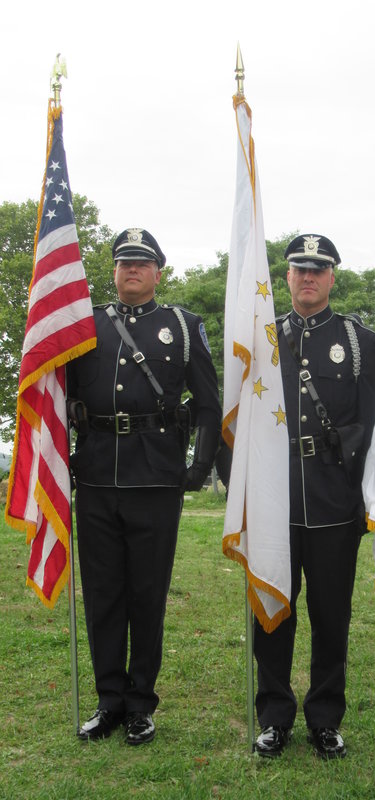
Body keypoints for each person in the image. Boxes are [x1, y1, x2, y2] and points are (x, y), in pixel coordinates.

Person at [67, 228, 221, 745]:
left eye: (142, 262)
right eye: (124, 261)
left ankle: (141, 704)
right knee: (103, 594)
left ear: (159, 272)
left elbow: (207, 404)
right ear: (114, 270)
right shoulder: (83, 325)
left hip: (155, 479)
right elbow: (57, 395)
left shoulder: (182, 326)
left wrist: (197, 470)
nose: (132, 269)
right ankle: (109, 700)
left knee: (146, 594)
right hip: (94, 477)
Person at [253, 234, 375, 759]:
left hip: (333, 498)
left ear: (333, 277)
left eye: (318, 269)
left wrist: (369, 497)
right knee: (273, 612)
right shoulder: (262, 338)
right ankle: (274, 717)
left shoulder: (359, 341)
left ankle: (325, 719)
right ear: (286, 277)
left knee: (332, 617)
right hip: (274, 499)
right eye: (299, 268)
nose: (308, 277)